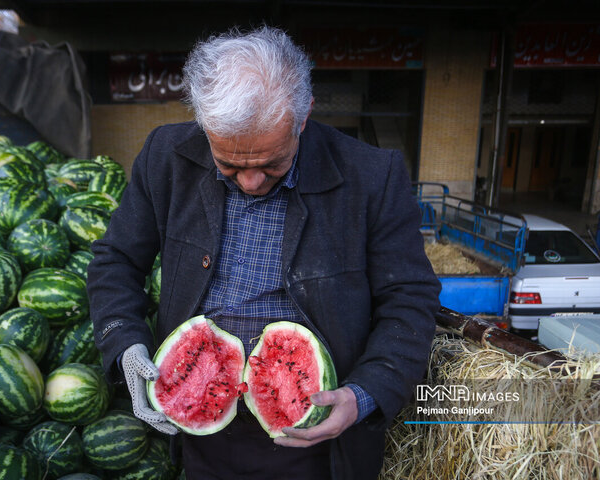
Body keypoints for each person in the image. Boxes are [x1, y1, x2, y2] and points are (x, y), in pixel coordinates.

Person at [87, 25, 441, 480]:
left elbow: (410, 301)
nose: (250, 182)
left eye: (271, 164)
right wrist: (125, 344)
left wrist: (364, 394)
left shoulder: (373, 177)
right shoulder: (166, 156)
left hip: (319, 445)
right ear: (204, 125)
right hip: (200, 430)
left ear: (304, 116)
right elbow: (115, 261)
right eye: (229, 165)